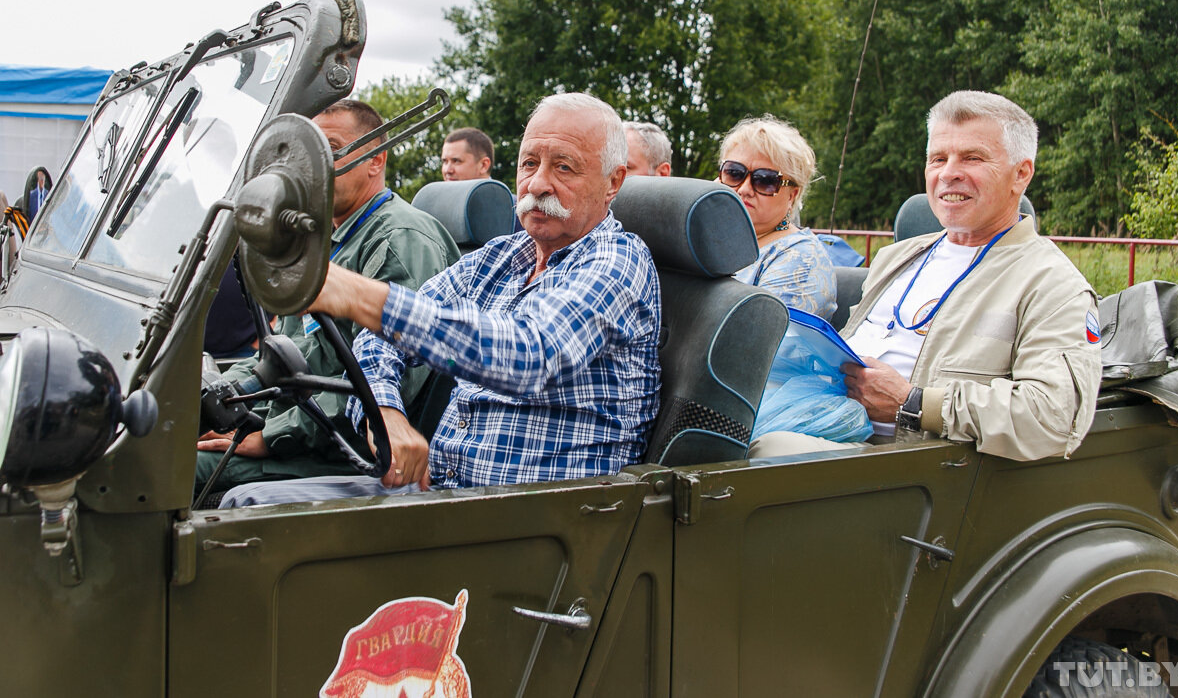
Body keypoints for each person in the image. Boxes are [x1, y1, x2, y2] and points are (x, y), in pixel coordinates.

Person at [220, 92, 662, 506]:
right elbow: (378, 342)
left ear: (612, 182)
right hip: (443, 496)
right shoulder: (501, 256)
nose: (538, 183)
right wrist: (386, 412)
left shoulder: (618, 260)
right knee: (245, 505)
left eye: (564, 167)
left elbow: (530, 355)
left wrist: (356, 294)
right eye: (529, 163)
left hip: (538, 519)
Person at [756, 90, 1102, 461]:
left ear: (1021, 174)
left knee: (760, 452)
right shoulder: (896, 258)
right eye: (938, 158)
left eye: (973, 158)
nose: (949, 173)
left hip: (916, 467)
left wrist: (913, 403)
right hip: (829, 425)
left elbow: (1054, 418)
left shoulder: (1052, 284)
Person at [195, 99, 460, 495]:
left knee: (163, 471)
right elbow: (278, 353)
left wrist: (272, 435)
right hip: (298, 424)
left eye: (331, 151)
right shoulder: (321, 242)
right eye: (310, 152)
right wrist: (215, 399)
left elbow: (383, 384)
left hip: (339, 448)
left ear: (376, 160)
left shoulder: (398, 239)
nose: (315, 166)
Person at [717, 115, 836, 320]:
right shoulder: (714, 237)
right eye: (734, 173)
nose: (744, 189)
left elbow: (757, 342)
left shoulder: (800, 259)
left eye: (765, 180)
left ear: (792, 195)